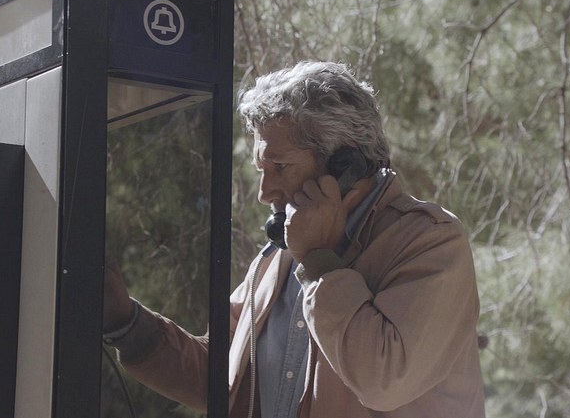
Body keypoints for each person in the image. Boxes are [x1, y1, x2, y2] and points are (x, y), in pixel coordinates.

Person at [103, 60, 486, 418]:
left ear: (345, 165)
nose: (264, 193)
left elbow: (384, 378)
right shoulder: (280, 256)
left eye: (280, 167)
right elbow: (221, 376)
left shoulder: (430, 243)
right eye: (261, 169)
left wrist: (319, 261)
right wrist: (125, 322)